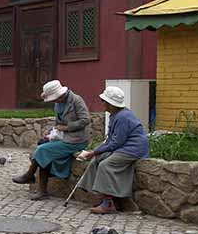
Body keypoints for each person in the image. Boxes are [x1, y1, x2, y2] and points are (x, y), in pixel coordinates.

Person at [12, 79, 91, 200]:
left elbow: (85, 120)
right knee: (44, 149)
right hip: (63, 137)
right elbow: (58, 122)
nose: (53, 101)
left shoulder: (76, 100)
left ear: (60, 95)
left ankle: (29, 175)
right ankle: (42, 191)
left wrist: (67, 127)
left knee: (43, 150)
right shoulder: (58, 103)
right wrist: (50, 130)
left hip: (76, 140)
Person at [77, 86, 150, 214]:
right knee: (97, 160)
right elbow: (110, 139)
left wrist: (94, 151)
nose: (102, 103)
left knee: (106, 165)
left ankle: (108, 203)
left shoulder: (123, 117)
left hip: (132, 149)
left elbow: (117, 142)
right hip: (123, 147)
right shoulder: (114, 115)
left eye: (104, 101)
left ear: (111, 104)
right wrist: (95, 152)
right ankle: (93, 191)